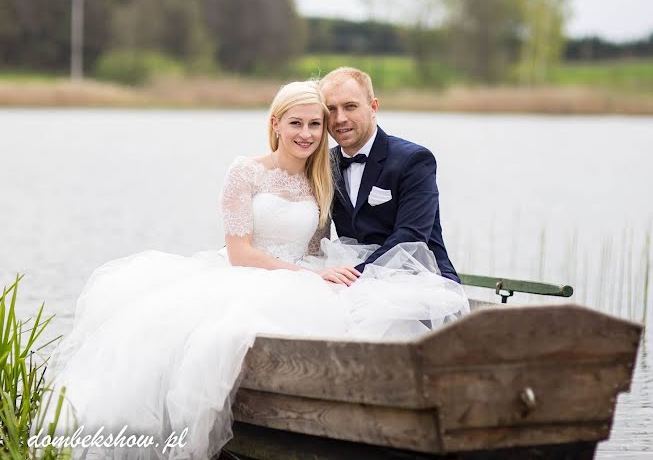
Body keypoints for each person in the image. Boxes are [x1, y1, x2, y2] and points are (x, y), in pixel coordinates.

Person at [43, 81, 468, 460]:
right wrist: (313, 275)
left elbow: (321, 245)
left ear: (372, 107)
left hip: (313, 273)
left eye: (317, 124)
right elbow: (239, 252)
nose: (311, 132)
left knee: (345, 316)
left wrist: (332, 273)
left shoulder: (324, 174)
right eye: (300, 122)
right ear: (276, 123)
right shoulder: (246, 171)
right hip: (252, 271)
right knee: (217, 331)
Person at [319, 67, 460, 282]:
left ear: (373, 107)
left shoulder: (414, 160)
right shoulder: (325, 165)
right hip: (353, 276)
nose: (340, 118)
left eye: (350, 107)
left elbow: (410, 239)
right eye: (331, 110)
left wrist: (353, 278)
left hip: (417, 277)